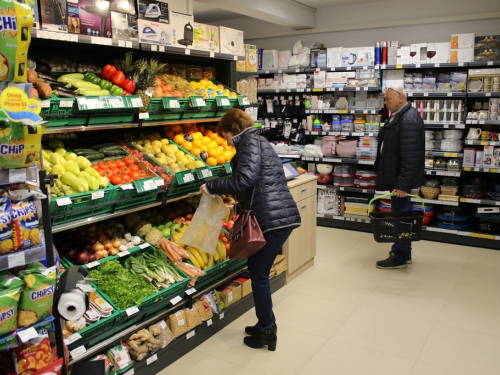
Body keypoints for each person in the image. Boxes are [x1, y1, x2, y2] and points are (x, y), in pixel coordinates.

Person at [200, 109, 301, 351]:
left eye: (225, 136)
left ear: (233, 129)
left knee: (259, 276)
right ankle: (264, 324)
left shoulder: (248, 143)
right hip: (277, 216)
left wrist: (212, 186)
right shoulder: (259, 141)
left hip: (272, 220)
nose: (226, 142)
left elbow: (244, 179)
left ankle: (267, 330)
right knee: (259, 273)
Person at [374, 85, 425, 269]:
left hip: (401, 182)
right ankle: (404, 253)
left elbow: (411, 158)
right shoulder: (400, 115)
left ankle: (400, 256)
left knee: (401, 219)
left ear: (401, 98)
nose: (385, 102)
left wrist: (403, 185)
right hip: (397, 178)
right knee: (400, 216)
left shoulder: (409, 119)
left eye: (388, 99)